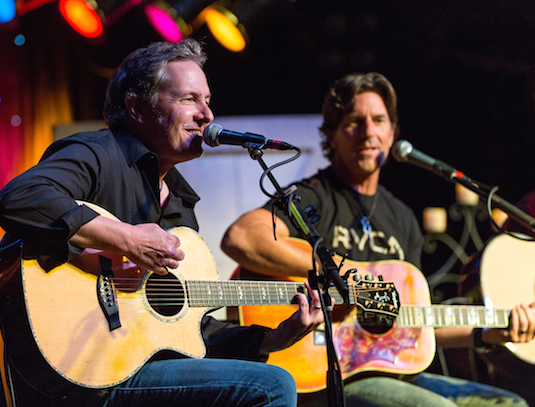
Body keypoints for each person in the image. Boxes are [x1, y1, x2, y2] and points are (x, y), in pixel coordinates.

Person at [0, 39, 328, 407]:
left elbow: (189, 333)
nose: (207, 115)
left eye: (208, 101)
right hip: (85, 374)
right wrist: (125, 238)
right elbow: (20, 198)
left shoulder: (181, 203)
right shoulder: (99, 154)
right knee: (271, 386)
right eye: (188, 99)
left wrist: (272, 339)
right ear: (136, 107)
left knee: (271, 375)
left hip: (141, 369)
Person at [221, 72, 535, 407]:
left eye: (379, 120)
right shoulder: (316, 196)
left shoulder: (401, 217)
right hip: (331, 374)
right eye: (355, 121)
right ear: (332, 136)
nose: (369, 131)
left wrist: (487, 334)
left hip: (391, 371)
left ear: (392, 132)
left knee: (508, 404)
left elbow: (413, 319)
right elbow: (241, 237)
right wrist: (345, 273)